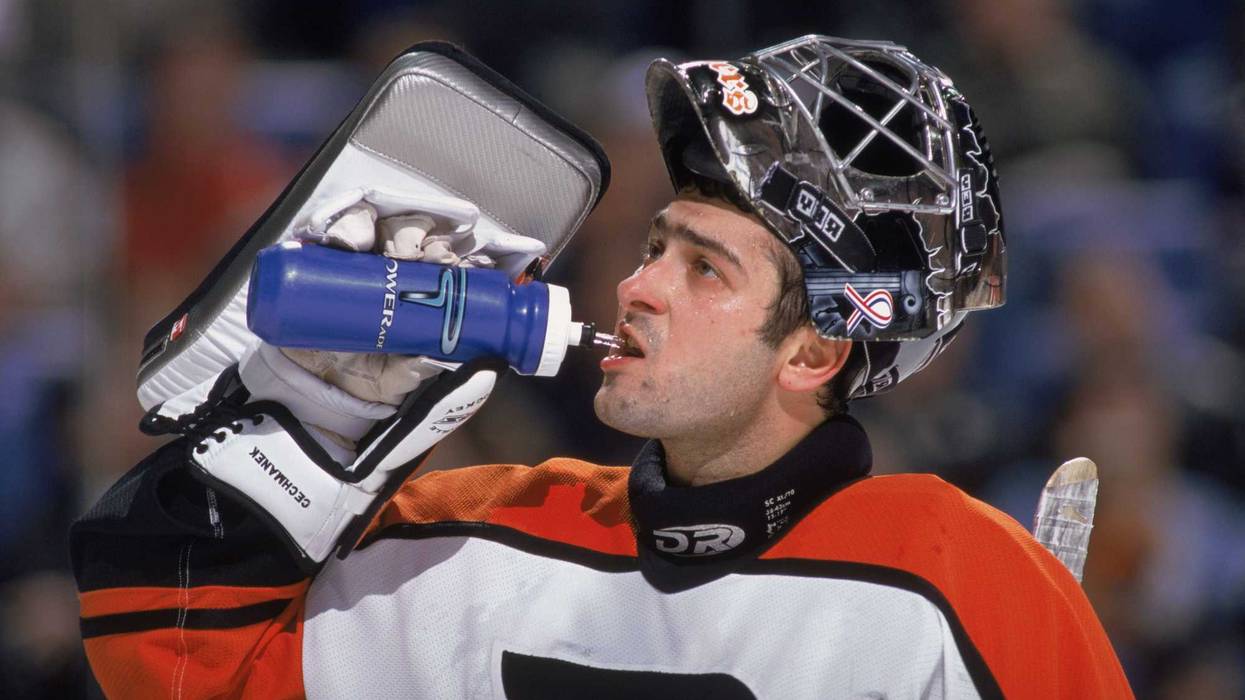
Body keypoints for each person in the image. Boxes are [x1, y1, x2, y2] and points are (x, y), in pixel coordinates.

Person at [71, 36, 1133, 698]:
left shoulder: (963, 582)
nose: (638, 287)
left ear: (814, 348)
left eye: (705, 268)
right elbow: (170, 666)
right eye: (654, 246)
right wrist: (308, 424)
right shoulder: (464, 539)